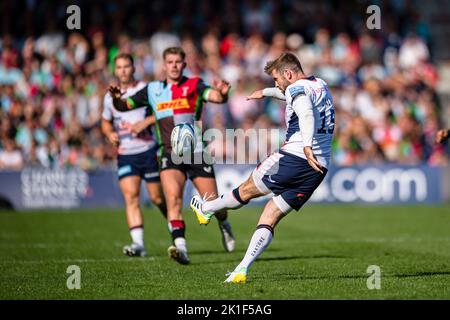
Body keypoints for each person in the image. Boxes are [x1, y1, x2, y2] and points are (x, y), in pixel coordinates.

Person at [190, 52, 335, 283]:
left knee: (246, 190)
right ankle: (242, 269)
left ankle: (207, 208)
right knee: (270, 214)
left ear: (288, 74)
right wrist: (265, 92)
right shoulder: (320, 84)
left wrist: (306, 146)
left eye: (277, 80)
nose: (276, 84)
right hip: (318, 167)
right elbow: (291, 94)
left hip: (295, 157)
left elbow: (305, 112)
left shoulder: (297, 91)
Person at [109, 47, 235, 265]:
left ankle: (224, 224)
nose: (174, 66)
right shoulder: (153, 89)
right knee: (173, 200)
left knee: (213, 204)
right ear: (163, 65)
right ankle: (181, 248)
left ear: (184, 64)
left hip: (196, 153)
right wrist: (116, 99)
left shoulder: (194, 84)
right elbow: (123, 105)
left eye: (178, 62)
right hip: (168, 153)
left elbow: (215, 97)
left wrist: (223, 93)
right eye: (170, 62)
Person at [102, 53, 167, 257]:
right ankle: (138, 244)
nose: (123, 70)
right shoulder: (109, 97)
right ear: (115, 70)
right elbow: (105, 121)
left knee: (157, 198)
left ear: (133, 68)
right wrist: (109, 133)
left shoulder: (146, 90)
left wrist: (144, 123)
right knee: (131, 197)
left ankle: (175, 227)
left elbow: (162, 113)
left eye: (126, 66)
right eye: (119, 67)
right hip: (126, 153)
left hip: (148, 150)